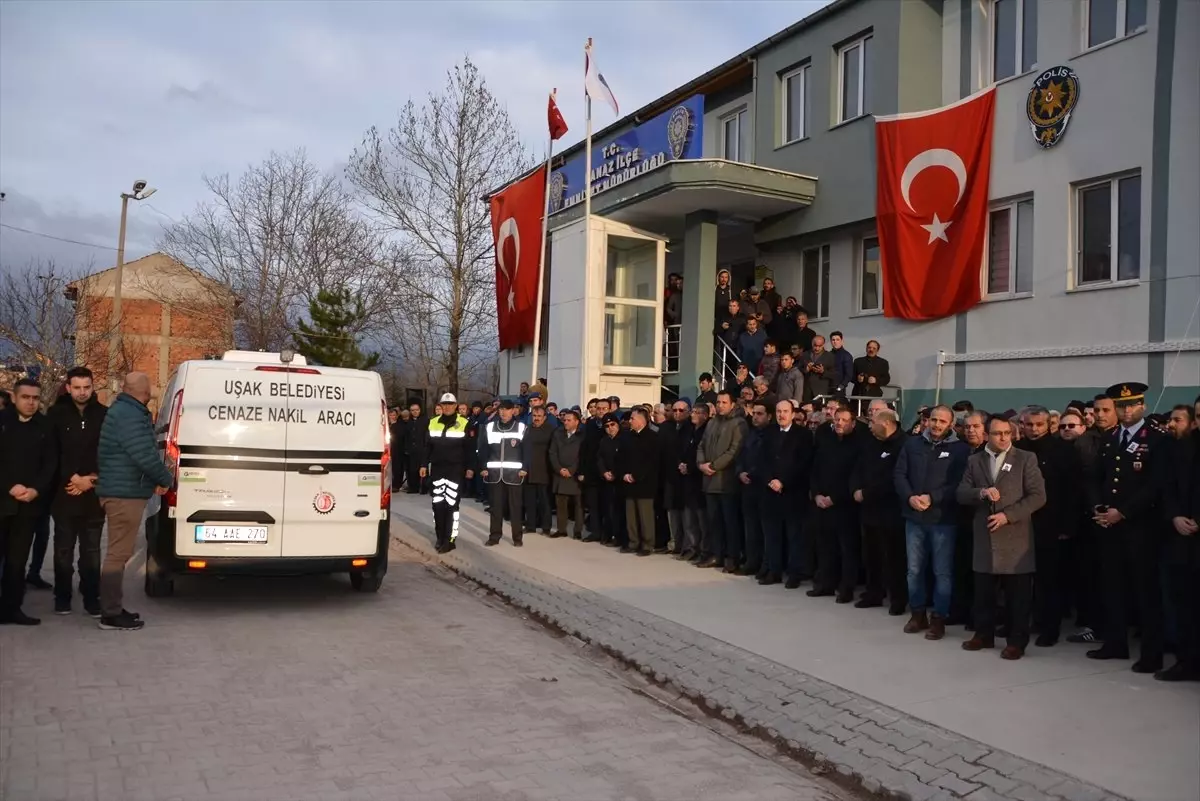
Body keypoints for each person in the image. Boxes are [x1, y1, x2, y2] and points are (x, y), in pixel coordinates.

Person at [1086, 382, 1167, 673]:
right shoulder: (1111, 438)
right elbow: (1096, 478)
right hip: (1109, 526)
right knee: (1113, 587)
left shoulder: (1156, 438)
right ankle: (1115, 643)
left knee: (1146, 593)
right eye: (1121, 406)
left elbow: (1155, 485)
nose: (1126, 410)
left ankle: (1151, 654)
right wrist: (1098, 507)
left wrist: (1124, 512)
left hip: (1140, 528)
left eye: (1131, 405)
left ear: (1142, 406)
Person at [958, 416, 1047, 660]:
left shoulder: (1025, 459)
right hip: (985, 537)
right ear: (987, 435)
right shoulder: (975, 460)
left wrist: (1008, 516)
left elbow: (1038, 496)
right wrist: (981, 493)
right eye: (998, 433)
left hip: (1014, 537)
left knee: (1017, 596)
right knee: (984, 593)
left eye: (1007, 433)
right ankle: (983, 634)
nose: (1004, 437)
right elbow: (961, 493)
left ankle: (1016, 641)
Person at [96, 372, 173, 632]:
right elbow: (143, 454)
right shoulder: (129, 415)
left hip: (124, 490)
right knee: (118, 555)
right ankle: (110, 613)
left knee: (119, 553)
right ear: (143, 390)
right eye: (149, 386)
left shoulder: (125, 410)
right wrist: (166, 478)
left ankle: (112, 607)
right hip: (123, 495)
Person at [894, 405, 969, 641]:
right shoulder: (912, 444)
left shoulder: (960, 450)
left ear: (951, 424)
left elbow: (959, 483)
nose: (936, 425)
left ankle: (939, 618)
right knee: (914, 570)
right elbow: (899, 474)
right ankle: (917, 614)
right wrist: (910, 497)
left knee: (942, 572)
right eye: (933, 420)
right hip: (914, 518)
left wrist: (932, 498)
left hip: (942, 520)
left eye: (942, 421)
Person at [1016, 405, 1083, 647]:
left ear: (1047, 425)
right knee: (1020, 579)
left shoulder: (1063, 450)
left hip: (1051, 524)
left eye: (1039, 424)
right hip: (1020, 523)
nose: (1034, 429)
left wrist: (1068, 525)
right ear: (1022, 425)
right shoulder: (1016, 449)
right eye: (1029, 424)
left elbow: (1073, 491)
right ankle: (1022, 622)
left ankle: (1049, 628)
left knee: (1049, 580)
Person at [46, 367, 107, 617]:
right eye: (77, 387)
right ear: (68, 388)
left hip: (93, 493)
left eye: (87, 387)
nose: (82, 392)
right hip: (64, 493)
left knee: (91, 551)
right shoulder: (56, 414)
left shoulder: (104, 415)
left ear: (93, 387)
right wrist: (73, 477)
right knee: (63, 549)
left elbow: (109, 452)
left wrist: (91, 480)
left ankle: (91, 596)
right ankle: (62, 596)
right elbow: (52, 452)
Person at [0, 378, 56, 626]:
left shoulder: (45, 426)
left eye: (35, 398)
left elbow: (50, 465)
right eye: (26, 397)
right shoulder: (2, 422)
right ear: (14, 397)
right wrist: (10, 486)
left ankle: (12, 609)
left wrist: (35, 490)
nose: (31, 402)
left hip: (29, 505)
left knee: (17, 560)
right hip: (2, 500)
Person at [853, 407, 908, 613]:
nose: (869, 425)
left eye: (872, 422)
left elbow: (895, 478)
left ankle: (898, 599)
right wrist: (855, 488)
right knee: (871, 554)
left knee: (894, 558)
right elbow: (859, 468)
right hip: (869, 511)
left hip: (891, 511)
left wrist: (867, 493)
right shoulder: (871, 443)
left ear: (885, 423)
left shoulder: (903, 445)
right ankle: (874, 593)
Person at [1160, 417, 1200, 681]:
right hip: (1185, 539)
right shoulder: (1184, 449)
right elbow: (1168, 487)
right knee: (1187, 605)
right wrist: (1175, 516)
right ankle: (1188, 662)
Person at [808, 405, 861, 602]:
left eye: (844, 420)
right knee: (825, 547)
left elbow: (854, 477)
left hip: (844, 506)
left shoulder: (858, 445)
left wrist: (834, 498)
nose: (839, 423)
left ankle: (846, 588)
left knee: (847, 550)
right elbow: (815, 469)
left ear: (853, 423)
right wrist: (816, 495)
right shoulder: (826, 440)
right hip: (821, 503)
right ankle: (825, 585)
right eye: (836, 419)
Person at [761, 399, 812, 588]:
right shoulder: (769, 433)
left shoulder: (803, 435)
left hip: (792, 493)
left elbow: (803, 464)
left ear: (792, 413)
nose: (781, 415)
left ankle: (794, 573)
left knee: (794, 536)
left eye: (785, 411)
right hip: (770, 492)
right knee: (772, 535)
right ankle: (774, 571)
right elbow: (763, 460)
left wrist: (783, 481)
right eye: (778, 411)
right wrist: (770, 480)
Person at [697, 390, 747, 572]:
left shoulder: (739, 423)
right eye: (718, 402)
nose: (720, 405)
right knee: (714, 522)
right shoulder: (711, 422)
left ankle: (732, 557)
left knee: (730, 523)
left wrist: (714, 466)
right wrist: (701, 464)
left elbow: (735, 451)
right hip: (709, 481)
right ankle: (716, 555)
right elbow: (701, 445)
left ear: (732, 404)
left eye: (724, 402)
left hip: (727, 482)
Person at [422, 393, 472, 554]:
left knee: (451, 505)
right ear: (441, 406)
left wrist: (470, 468)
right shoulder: (432, 423)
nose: (448, 407)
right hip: (437, 469)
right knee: (437, 505)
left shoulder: (464, 423)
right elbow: (426, 447)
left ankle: (450, 540)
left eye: (451, 404)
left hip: (455, 470)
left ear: (456, 406)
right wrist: (423, 465)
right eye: (445, 404)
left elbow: (470, 449)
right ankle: (440, 537)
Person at [480, 400, 527, 547]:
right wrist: (483, 466)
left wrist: (525, 467)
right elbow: (483, 450)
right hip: (494, 473)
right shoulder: (490, 427)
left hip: (514, 475)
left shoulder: (521, 427)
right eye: (501, 409)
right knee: (496, 507)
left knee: (515, 507)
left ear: (513, 410)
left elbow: (527, 450)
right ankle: (494, 536)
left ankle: (517, 537)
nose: (503, 412)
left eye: (507, 409)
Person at [619, 408, 660, 556]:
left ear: (642, 420)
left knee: (645, 515)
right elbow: (621, 458)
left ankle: (647, 544)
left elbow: (651, 462)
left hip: (645, 483)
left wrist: (636, 475)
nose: (630, 421)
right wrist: (624, 474)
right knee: (631, 515)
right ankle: (633, 542)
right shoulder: (627, 437)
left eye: (633, 419)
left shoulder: (652, 438)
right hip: (628, 481)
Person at [549, 410, 586, 539]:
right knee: (561, 503)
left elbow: (582, 456)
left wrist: (571, 470)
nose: (565, 422)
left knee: (578, 505)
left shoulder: (583, 436)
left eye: (569, 420)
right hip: (560, 473)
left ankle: (578, 530)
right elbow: (552, 453)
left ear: (577, 422)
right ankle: (561, 529)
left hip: (574, 474)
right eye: (564, 420)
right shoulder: (558, 434)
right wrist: (559, 469)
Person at [521, 405, 555, 535]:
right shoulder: (527, 429)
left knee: (544, 501)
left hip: (544, 470)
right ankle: (530, 525)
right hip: (529, 470)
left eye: (539, 416)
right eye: (534, 416)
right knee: (529, 500)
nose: (536, 418)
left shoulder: (551, 430)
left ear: (544, 417)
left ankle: (546, 527)